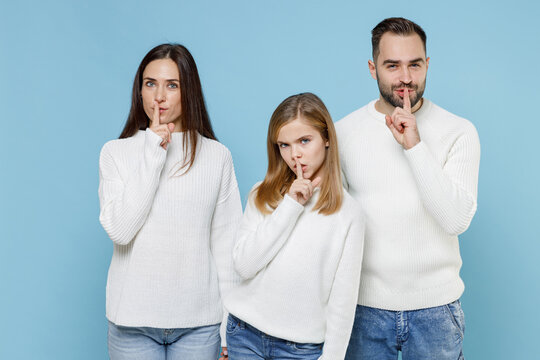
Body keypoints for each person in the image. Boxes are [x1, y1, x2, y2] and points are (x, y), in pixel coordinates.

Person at [336, 18, 480, 360]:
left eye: (415, 64)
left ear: (427, 64)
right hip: (362, 311)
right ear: (373, 69)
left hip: (436, 312)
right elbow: (333, 227)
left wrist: (414, 146)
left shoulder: (458, 131)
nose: (405, 78)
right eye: (392, 66)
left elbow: (456, 219)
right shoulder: (343, 133)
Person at [98, 43, 242, 360]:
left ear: (187, 91)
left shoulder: (217, 157)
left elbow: (227, 247)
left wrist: (228, 331)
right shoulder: (115, 153)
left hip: (199, 325)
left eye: (171, 85)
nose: (159, 96)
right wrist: (153, 149)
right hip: (131, 323)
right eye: (150, 84)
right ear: (140, 91)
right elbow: (120, 230)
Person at [224, 93, 365, 359]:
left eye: (304, 140)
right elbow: (243, 265)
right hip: (245, 335)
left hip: (300, 349)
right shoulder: (262, 194)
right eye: (284, 145)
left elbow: (342, 301)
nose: (295, 155)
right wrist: (290, 205)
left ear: (326, 139)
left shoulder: (348, 214)